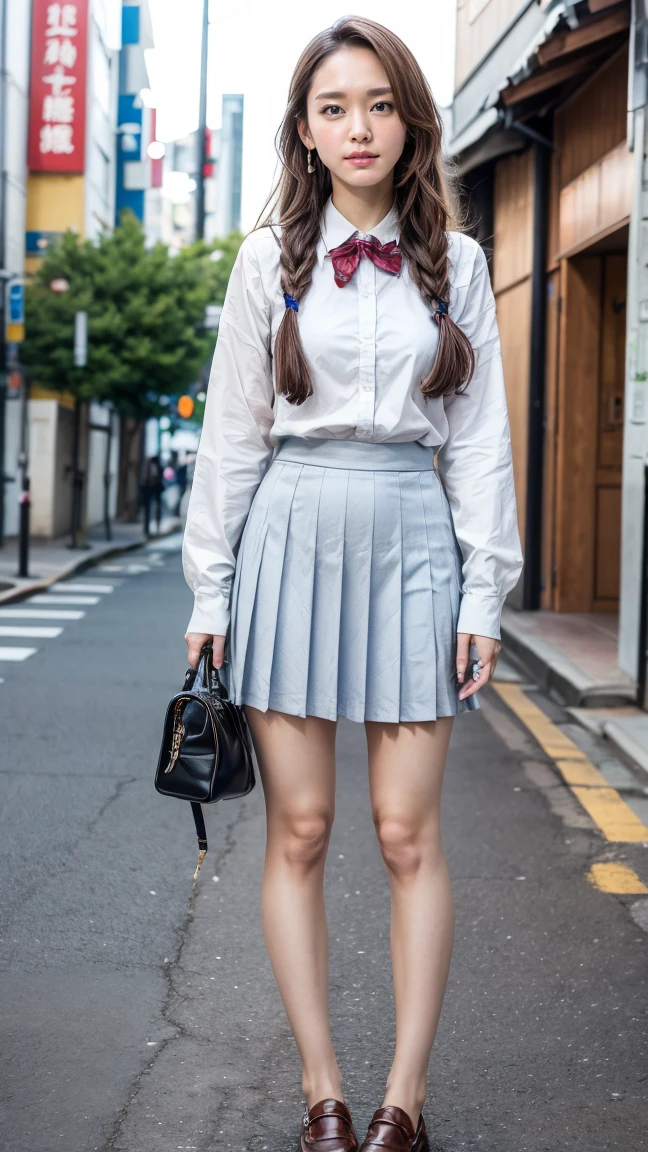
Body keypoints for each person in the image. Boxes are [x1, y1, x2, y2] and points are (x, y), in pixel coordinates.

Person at [182, 16, 524, 1152]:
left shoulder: (461, 265)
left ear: (411, 120)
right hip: (288, 537)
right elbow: (232, 440)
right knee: (303, 829)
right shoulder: (263, 258)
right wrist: (209, 592)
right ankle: (324, 1093)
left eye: (379, 103)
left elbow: (478, 441)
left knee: (404, 834)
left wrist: (487, 596)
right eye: (335, 108)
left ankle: (402, 1104)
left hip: (415, 540)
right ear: (306, 131)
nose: (359, 126)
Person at [141, 454, 164, 537]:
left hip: (155, 490)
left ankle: (156, 527)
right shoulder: (148, 468)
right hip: (149, 490)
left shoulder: (157, 467)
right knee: (148, 510)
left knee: (156, 509)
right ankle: (147, 529)